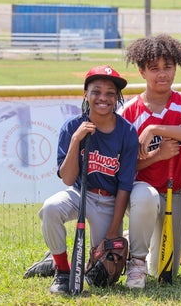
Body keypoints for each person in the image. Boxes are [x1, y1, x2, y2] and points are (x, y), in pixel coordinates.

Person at [38, 65, 138, 294]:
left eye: (110, 93)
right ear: (86, 94)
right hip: (79, 193)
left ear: (117, 97)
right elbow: (68, 179)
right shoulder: (72, 127)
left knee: (101, 274)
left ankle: (53, 259)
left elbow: (125, 186)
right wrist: (76, 140)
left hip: (109, 200)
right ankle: (62, 270)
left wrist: (113, 231)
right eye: (97, 91)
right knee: (50, 208)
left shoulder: (127, 132)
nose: (103, 98)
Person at [120, 34, 181, 289]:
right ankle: (135, 255)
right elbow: (124, 167)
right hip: (140, 193)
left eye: (167, 67)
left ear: (176, 68)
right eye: (154, 68)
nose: (162, 74)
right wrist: (157, 156)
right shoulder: (129, 111)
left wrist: (156, 128)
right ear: (142, 71)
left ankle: (134, 236)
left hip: (174, 193)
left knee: (165, 270)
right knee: (145, 197)